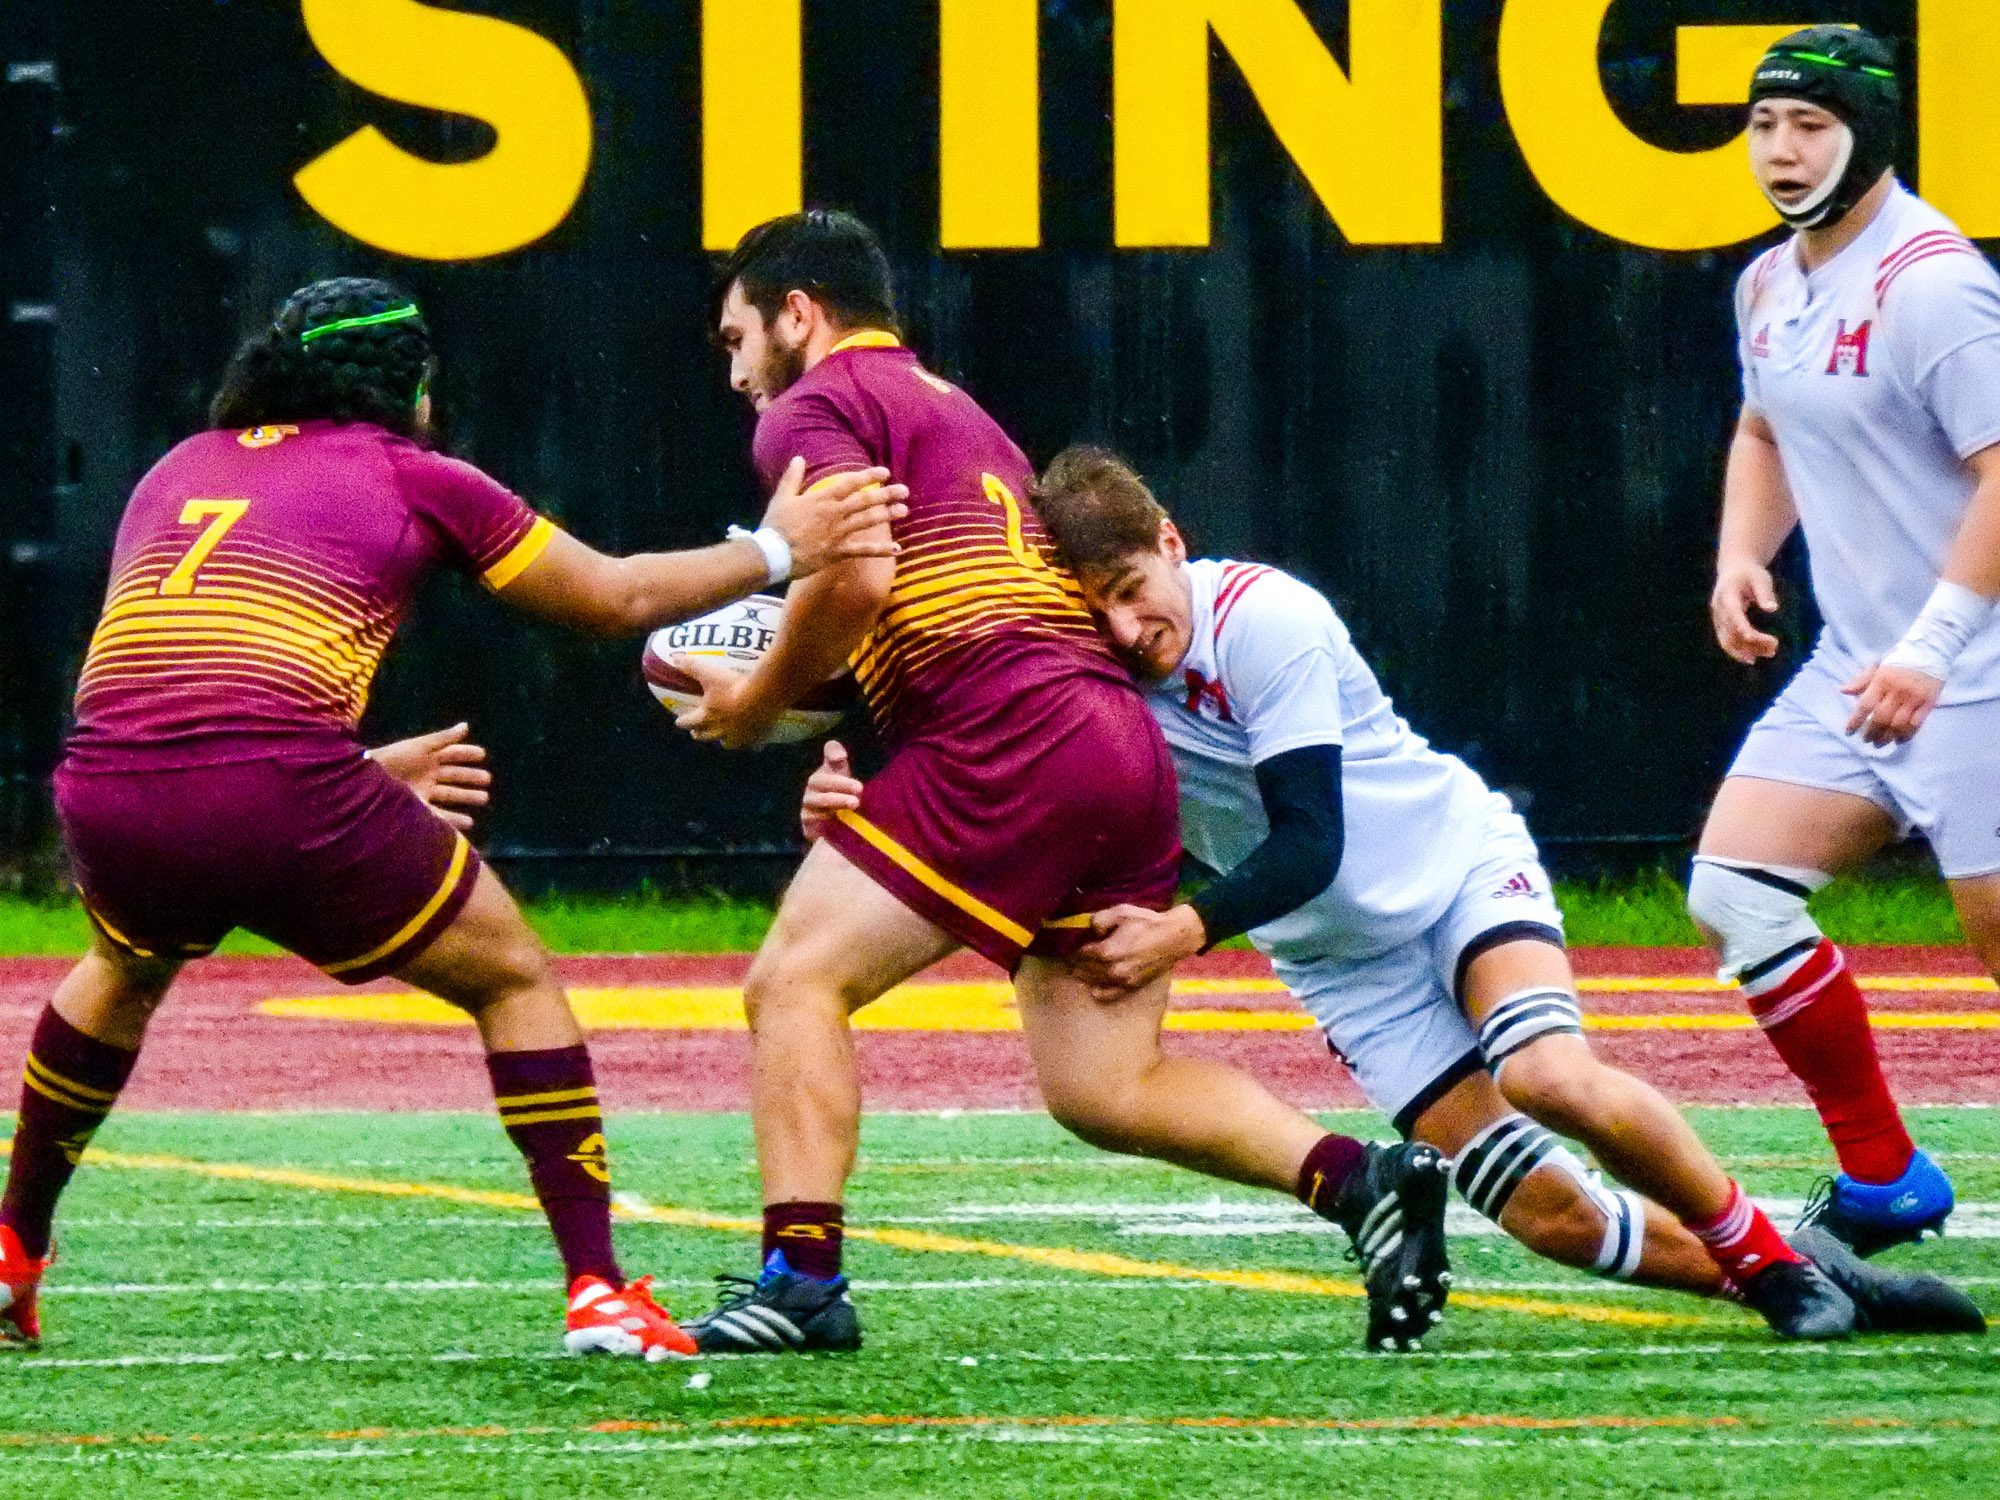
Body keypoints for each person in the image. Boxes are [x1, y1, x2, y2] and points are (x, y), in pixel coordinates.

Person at [0, 277, 908, 1356]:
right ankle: (598, 1292)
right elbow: (609, 599)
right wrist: (776, 550)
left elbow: (185, 684)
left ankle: (13, 1246)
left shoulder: (176, 470)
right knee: (514, 977)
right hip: (277, 785)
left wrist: (356, 766)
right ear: (410, 385)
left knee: (124, 965)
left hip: (109, 789)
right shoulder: (409, 472)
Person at [673, 212, 1451, 1356]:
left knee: (794, 982)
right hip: (1109, 750)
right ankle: (1359, 1182)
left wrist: (749, 704)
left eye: (737, 337)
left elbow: (861, 576)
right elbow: (945, 602)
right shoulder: (957, 409)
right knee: (1103, 1083)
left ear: (799, 315)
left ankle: (800, 1278)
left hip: (1014, 733)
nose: (737, 373)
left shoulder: (810, 406)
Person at [985, 445, 1972, 1338]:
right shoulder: (1086, 675)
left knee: (1550, 1077)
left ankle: (1769, 1268)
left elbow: (1310, 840)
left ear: (1170, 540)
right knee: (1548, 1216)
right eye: (1091, 611)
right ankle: (1787, 1269)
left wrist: (1179, 932)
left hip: (1454, 866)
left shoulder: (1258, 616)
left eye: (1128, 589)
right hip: (1340, 964)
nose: (1123, 629)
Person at [1691, 25, 2000, 1256]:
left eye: (1808, 125)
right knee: (1733, 892)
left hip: (1970, 674)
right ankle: (1883, 1179)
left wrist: (1930, 648)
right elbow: (1763, 432)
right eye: (1763, 124)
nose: (1777, 149)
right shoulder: (1767, 280)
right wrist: (1738, 556)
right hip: (1856, 671)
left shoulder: (1932, 282)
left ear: (1868, 131)